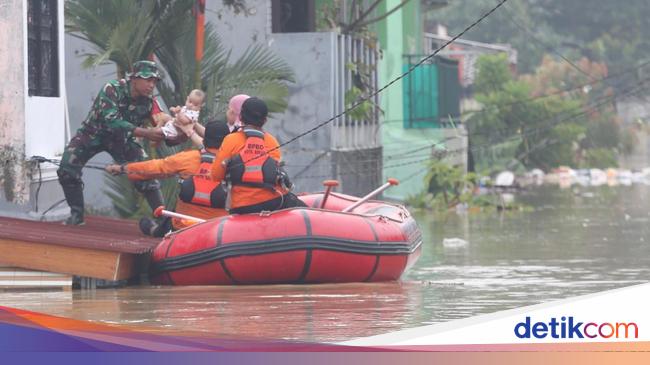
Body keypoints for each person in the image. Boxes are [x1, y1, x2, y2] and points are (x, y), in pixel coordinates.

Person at [57, 60, 168, 226]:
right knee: (67, 167)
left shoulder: (149, 102)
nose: (151, 85)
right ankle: (76, 216)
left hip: (122, 140)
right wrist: (147, 133)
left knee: (146, 172)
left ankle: (163, 221)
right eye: (147, 80)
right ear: (134, 78)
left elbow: (161, 120)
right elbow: (112, 122)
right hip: (93, 133)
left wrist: (172, 125)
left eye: (154, 81)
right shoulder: (112, 88)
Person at [105, 121, 231, 236]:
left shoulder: (188, 158)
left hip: (182, 227)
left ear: (204, 140)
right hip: (219, 230)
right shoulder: (236, 163)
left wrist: (122, 168)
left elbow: (154, 167)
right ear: (227, 141)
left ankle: (154, 230)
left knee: (163, 225)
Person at [210, 97, 306, 214]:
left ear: (240, 117)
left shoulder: (230, 140)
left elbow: (216, 175)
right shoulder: (272, 141)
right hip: (273, 202)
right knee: (307, 213)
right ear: (265, 120)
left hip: (241, 206)